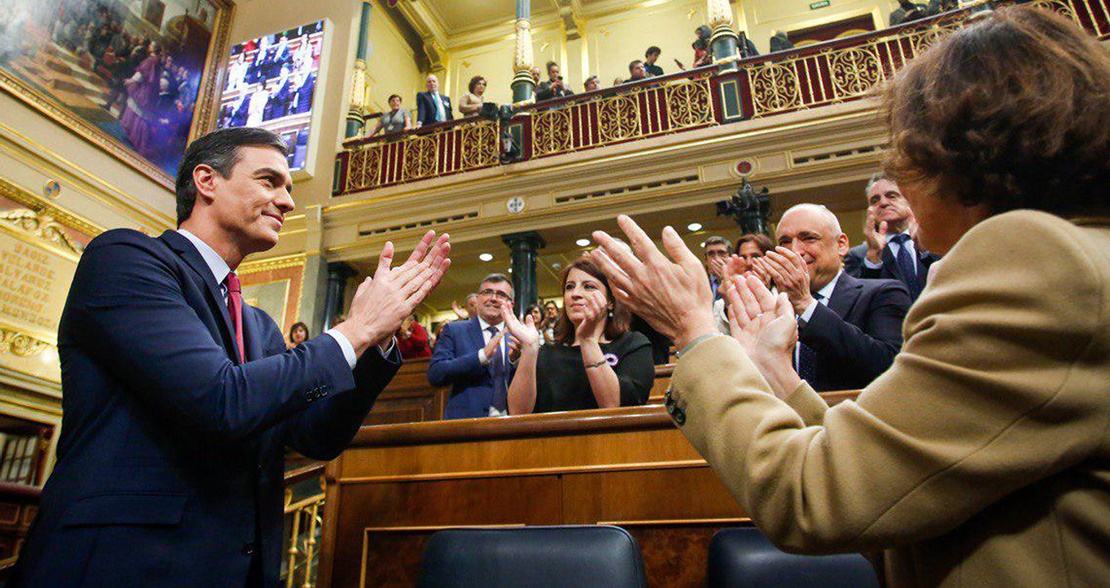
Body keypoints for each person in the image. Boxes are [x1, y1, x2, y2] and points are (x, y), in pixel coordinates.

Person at [587, 7, 1110, 587]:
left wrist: (695, 330)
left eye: (902, 148)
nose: (898, 173)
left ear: (954, 150)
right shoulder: (1078, 252)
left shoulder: (1036, 257)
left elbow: (814, 497)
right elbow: (905, 481)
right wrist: (778, 377)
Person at [6, 127, 451, 588]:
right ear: (206, 181)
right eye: (269, 181)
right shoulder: (126, 259)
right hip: (122, 565)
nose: (287, 201)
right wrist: (354, 330)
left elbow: (315, 436)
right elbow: (220, 400)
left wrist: (377, 341)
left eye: (289, 188)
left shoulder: (258, 325)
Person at [752, 204, 910, 391]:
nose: (795, 251)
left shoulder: (883, 293)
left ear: (841, 245)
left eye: (809, 238)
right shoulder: (773, 309)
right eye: (785, 242)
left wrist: (805, 305)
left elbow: (889, 367)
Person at [502, 259, 653, 414]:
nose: (575, 294)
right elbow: (517, 413)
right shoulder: (547, 352)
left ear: (610, 302)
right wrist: (529, 349)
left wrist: (587, 340)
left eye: (588, 286)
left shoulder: (633, 344)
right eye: (570, 287)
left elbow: (614, 407)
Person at [427, 274, 515, 419]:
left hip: (512, 425)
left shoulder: (517, 335)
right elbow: (436, 374)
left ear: (510, 304)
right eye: (487, 292)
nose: (493, 298)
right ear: (478, 299)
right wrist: (481, 357)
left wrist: (515, 361)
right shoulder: (454, 330)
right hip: (465, 425)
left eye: (501, 294)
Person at [843, 172, 940, 301]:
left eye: (892, 196)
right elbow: (857, 302)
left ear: (909, 200)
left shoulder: (937, 239)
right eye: (875, 200)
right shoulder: (858, 256)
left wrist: (924, 248)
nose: (883, 203)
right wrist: (873, 257)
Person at [713, 233, 773, 334]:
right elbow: (723, 340)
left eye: (755, 256)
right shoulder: (721, 305)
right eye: (743, 257)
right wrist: (730, 303)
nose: (749, 263)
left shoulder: (785, 294)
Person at [702, 235, 731, 301]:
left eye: (721, 253)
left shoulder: (737, 282)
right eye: (711, 254)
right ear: (706, 260)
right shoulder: (700, 284)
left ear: (730, 257)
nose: (717, 258)